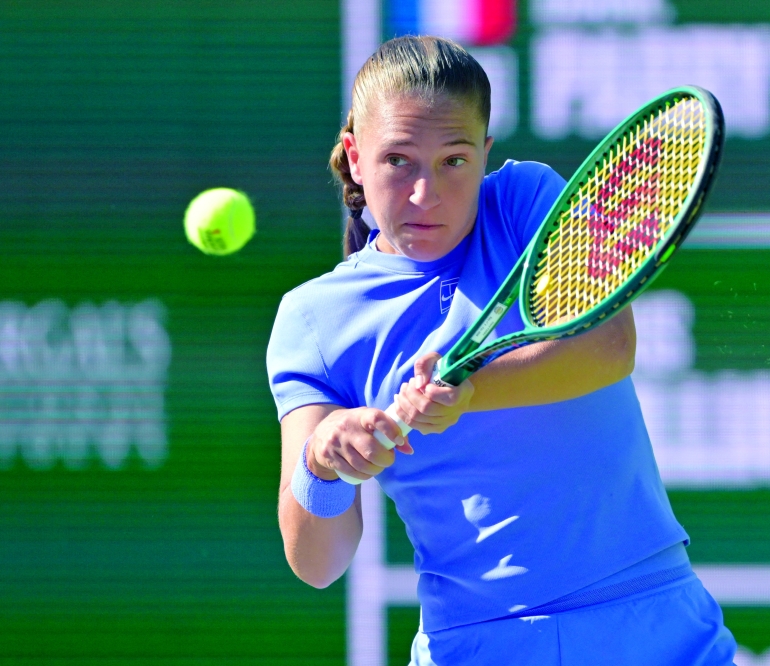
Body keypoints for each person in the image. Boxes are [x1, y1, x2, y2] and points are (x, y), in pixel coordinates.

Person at [267, 35, 736, 665]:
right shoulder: (312, 320)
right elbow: (316, 563)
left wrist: (472, 393)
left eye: (454, 161)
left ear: (485, 155)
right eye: (398, 161)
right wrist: (323, 464)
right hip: (479, 642)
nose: (424, 194)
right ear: (354, 156)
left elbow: (609, 345)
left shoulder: (523, 204)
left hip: (650, 620)